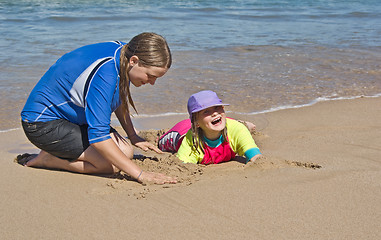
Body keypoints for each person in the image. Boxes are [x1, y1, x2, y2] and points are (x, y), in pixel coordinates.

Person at [18, 32, 177, 184]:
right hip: (42, 124)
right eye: (151, 76)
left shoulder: (124, 54)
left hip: (71, 119)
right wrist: (141, 174)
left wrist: (133, 136)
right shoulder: (106, 73)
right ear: (134, 61)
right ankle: (50, 160)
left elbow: (118, 97)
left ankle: (60, 153)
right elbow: (98, 137)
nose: (152, 82)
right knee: (111, 166)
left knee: (126, 151)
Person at [158, 90, 262, 165]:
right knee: (160, 143)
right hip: (182, 132)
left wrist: (254, 158)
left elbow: (254, 155)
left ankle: (243, 124)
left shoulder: (236, 129)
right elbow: (182, 165)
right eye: (206, 111)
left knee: (234, 126)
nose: (215, 113)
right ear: (196, 122)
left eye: (217, 107)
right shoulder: (192, 141)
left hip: (219, 124)